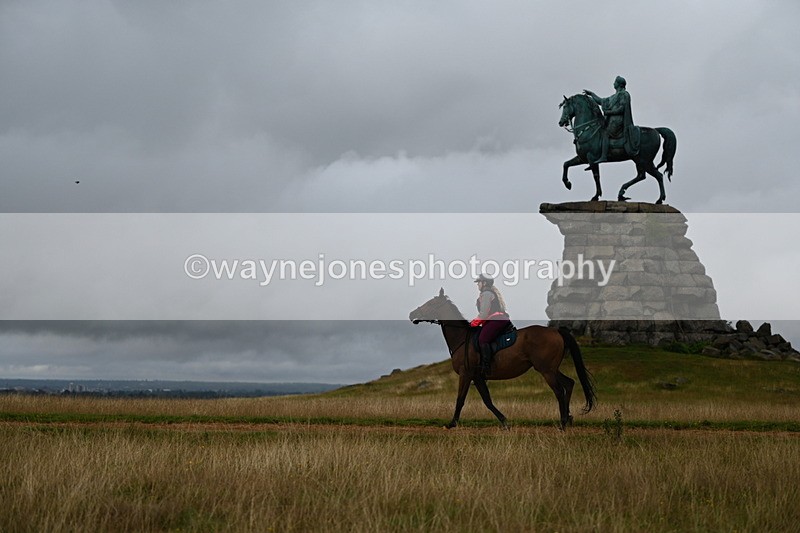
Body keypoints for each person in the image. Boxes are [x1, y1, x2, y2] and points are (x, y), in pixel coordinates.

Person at [583, 76, 640, 164]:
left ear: (619, 84)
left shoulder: (624, 94)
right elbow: (601, 101)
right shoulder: (613, 96)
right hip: (611, 120)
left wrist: (609, 112)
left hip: (618, 121)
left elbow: (621, 109)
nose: (613, 83)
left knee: (605, 133)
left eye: (615, 82)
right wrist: (592, 94)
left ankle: (604, 156)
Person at [469, 274, 511, 378]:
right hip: (495, 320)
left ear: (484, 283)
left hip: (496, 320)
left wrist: (472, 324)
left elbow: (483, 314)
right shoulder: (486, 293)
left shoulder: (486, 294)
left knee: (482, 339)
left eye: (479, 282)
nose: (477, 285)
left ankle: (486, 367)